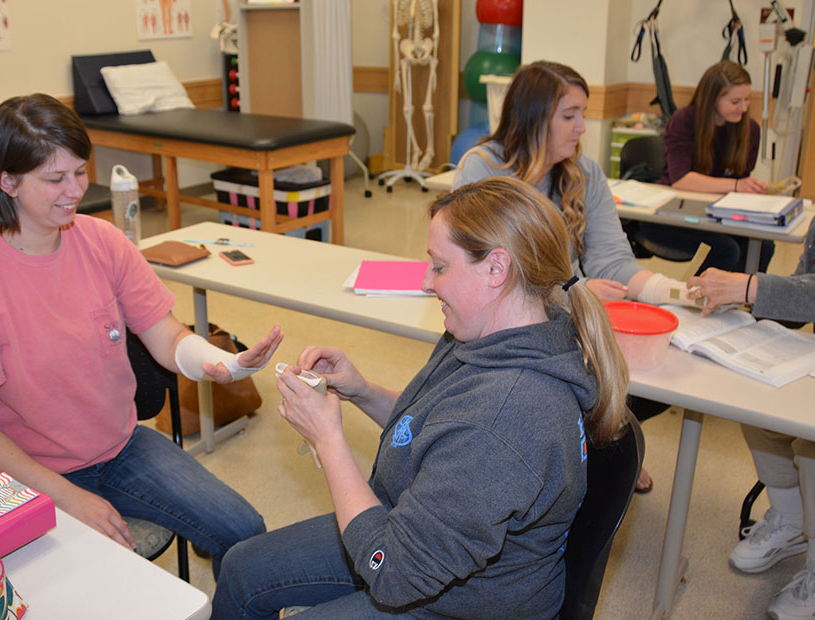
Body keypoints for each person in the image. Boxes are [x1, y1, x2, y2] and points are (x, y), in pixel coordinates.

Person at [210, 177, 631, 619]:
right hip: (417, 527)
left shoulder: (505, 418)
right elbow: (442, 431)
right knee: (242, 568)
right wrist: (363, 391)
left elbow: (394, 573)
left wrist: (328, 439)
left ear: (496, 268)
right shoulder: (489, 334)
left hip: (460, 599)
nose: (428, 283)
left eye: (440, 266)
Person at [0, 93, 282, 576]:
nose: (74, 190)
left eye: (79, 171)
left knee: (245, 535)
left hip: (120, 447)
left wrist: (218, 364)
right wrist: (67, 496)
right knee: (95, 590)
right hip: (28, 473)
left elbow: (166, 335)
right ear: (6, 181)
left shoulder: (103, 242)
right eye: (54, 179)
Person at [454, 60, 698, 493]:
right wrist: (578, 294)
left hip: (580, 318)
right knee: (581, 383)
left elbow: (613, 262)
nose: (582, 126)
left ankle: (602, 441)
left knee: (665, 375)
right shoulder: (483, 170)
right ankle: (599, 444)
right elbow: (489, 277)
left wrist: (678, 293)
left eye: (583, 114)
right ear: (532, 118)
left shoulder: (584, 174)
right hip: (512, 329)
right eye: (570, 115)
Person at [688, 101, 815, 620]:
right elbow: (801, 304)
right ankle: (789, 522)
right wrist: (730, 322)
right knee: (756, 399)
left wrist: (751, 285)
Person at [642, 60, 774, 273]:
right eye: (735, 101)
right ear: (713, 98)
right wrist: (737, 185)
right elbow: (682, 180)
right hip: (671, 216)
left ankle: (739, 301)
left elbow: (739, 181)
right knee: (726, 249)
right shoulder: (684, 120)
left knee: (764, 246)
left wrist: (746, 187)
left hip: (716, 215)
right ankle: (700, 299)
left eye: (748, 99)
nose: (744, 107)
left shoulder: (750, 130)